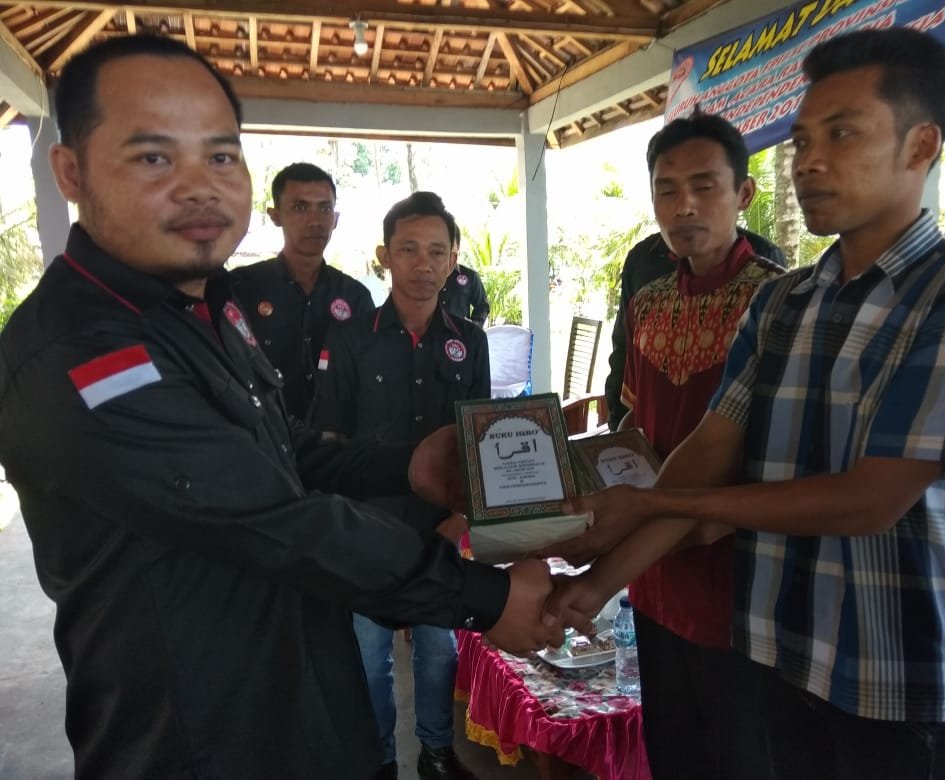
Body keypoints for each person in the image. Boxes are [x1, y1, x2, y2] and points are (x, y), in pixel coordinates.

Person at [0, 34, 564, 778]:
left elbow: (285, 448)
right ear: (71, 172)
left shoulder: (203, 307)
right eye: (154, 157)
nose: (199, 187)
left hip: (299, 695)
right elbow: (275, 518)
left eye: (221, 156)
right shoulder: (81, 350)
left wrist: (408, 465)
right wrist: (485, 596)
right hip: (200, 734)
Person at [546, 27, 945, 780]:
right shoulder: (783, 304)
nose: (808, 161)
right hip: (775, 654)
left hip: (895, 675)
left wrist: (646, 505)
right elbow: (703, 459)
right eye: (802, 139)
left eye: (842, 134)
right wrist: (591, 588)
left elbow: (871, 499)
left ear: (920, 146)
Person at [581, 114, 784, 779]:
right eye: (667, 190)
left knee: (741, 754)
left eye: (704, 186)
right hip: (654, 572)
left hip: (739, 572)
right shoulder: (648, 302)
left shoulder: (778, 301)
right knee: (671, 748)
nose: (684, 206)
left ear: (743, 193)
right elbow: (634, 425)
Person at [310, 192, 488, 780]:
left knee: (439, 652)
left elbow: (480, 442)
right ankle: (380, 759)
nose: (423, 263)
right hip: (367, 530)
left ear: (453, 260)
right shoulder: (351, 337)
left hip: (441, 532)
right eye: (408, 249)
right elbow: (328, 442)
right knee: (369, 659)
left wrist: (459, 524)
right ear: (385, 255)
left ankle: (436, 752)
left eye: (437, 251)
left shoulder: (471, 340)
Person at [603, 227, 785, 430]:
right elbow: (624, 355)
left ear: (743, 204)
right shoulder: (646, 291)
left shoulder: (772, 288)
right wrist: (618, 436)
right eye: (667, 198)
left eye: (703, 194)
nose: (685, 210)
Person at [232, 162, 374, 420]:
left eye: (324, 208)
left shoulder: (355, 296)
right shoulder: (242, 288)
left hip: (336, 437)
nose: (315, 221)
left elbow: (368, 377)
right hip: (262, 434)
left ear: (336, 219)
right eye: (300, 207)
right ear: (275, 215)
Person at [439, 225, 490, 327]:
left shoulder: (471, 276)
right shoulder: (426, 274)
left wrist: (474, 325)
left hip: (459, 334)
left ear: (458, 247)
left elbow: (482, 306)